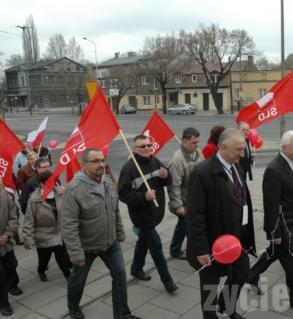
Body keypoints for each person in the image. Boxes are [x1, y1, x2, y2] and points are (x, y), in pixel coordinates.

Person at [61, 148, 140, 319]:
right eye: (95, 161)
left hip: (110, 244)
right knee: (78, 281)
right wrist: (75, 253)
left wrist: (119, 231)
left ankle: (122, 314)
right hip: (86, 248)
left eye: (102, 160)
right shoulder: (73, 189)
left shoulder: (107, 182)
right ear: (84, 165)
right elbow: (68, 225)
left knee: (120, 277)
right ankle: (73, 307)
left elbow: (115, 209)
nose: (101, 164)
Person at [246, 131, 293, 316]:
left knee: (273, 253)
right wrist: (274, 234)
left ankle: (250, 276)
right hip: (283, 227)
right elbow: (271, 206)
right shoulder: (274, 169)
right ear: (283, 147)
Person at [187, 128, 254, 319]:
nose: (242, 155)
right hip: (211, 243)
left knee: (241, 271)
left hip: (233, 238)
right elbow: (195, 214)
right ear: (222, 147)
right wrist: (201, 249)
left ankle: (226, 306)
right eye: (238, 150)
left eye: (243, 150)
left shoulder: (235, 166)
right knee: (210, 286)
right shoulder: (202, 172)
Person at [117, 135, 177, 292]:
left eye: (149, 145)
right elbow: (123, 194)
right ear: (134, 149)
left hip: (156, 212)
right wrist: (143, 197)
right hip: (141, 216)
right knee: (156, 247)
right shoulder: (128, 168)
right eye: (142, 146)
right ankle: (167, 281)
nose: (147, 148)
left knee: (143, 241)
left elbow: (166, 181)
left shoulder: (155, 161)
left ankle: (136, 269)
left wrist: (166, 176)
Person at [22, 170, 71, 282]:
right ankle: (41, 270)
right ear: (42, 184)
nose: (53, 183)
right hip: (43, 234)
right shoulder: (34, 200)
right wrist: (28, 240)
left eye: (53, 180)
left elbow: (68, 209)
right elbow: (29, 221)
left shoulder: (60, 192)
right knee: (44, 259)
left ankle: (68, 276)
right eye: (49, 181)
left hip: (59, 232)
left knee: (60, 254)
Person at [167, 127, 204, 259]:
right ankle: (196, 255)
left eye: (197, 142)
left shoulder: (197, 152)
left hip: (195, 199)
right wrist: (178, 206)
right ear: (184, 141)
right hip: (185, 203)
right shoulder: (177, 160)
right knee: (191, 230)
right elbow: (173, 186)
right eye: (194, 143)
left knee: (182, 226)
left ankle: (175, 249)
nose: (197, 145)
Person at [0, 172, 22, 317]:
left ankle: (11, 285)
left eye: (1, 185)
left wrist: (7, 234)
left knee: (12, 264)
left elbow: (13, 214)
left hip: (5, 240)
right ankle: (3, 303)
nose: (1, 188)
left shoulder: (5, 195)